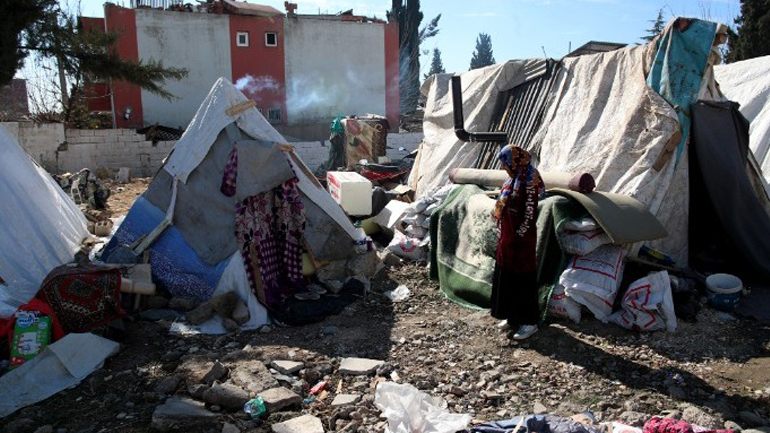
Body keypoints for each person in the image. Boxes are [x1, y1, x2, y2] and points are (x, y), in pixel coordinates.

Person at [490, 145, 545, 340]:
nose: (505, 168)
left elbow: (529, 212)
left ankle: (529, 322)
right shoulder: (512, 178)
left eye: (506, 163)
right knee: (507, 275)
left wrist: (520, 234)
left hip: (522, 240)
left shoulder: (529, 179)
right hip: (508, 237)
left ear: (515, 160)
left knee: (523, 278)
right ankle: (512, 317)